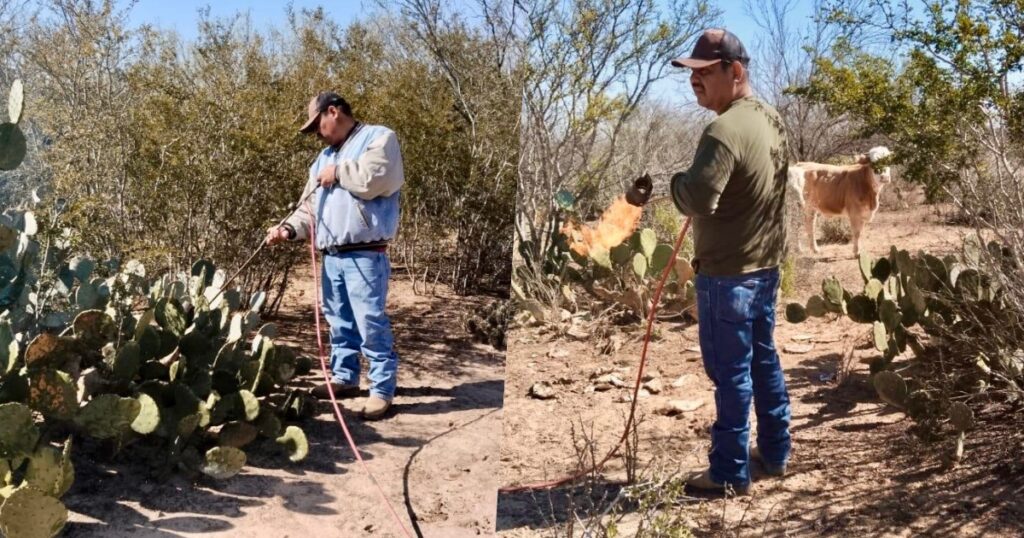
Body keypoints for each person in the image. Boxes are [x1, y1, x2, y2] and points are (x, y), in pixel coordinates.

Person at [668, 29, 792, 494]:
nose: (694, 80)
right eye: (691, 73)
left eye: (704, 71)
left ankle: (727, 473)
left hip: (727, 279)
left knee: (731, 375)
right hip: (765, 270)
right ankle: (776, 453)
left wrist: (677, 184)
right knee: (764, 361)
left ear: (735, 71)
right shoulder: (770, 118)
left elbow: (699, 197)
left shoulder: (722, 130)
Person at [265, 91, 404, 420]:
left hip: (365, 253)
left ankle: (381, 389)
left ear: (333, 112)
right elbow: (309, 207)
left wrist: (339, 172)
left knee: (370, 321)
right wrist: (288, 229)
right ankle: (345, 377)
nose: (317, 133)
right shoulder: (322, 159)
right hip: (332, 255)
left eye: (317, 125)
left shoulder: (380, 138)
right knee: (339, 321)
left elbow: (375, 180)